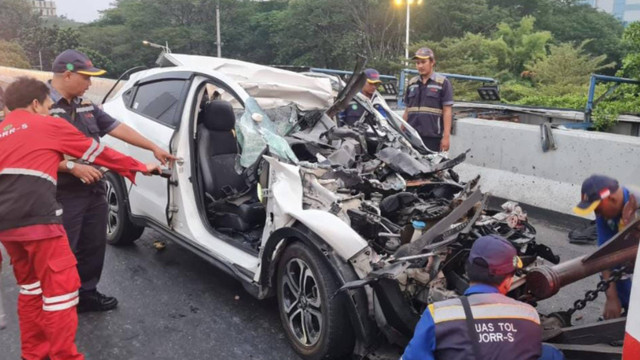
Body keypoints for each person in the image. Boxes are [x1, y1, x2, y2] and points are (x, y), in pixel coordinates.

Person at [0, 77, 159, 360]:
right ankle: (64, 355)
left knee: (30, 288)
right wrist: (138, 165)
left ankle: (33, 355)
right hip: (40, 221)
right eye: (48, 106)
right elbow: (99, 152)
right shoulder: (48, 124)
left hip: (7, 228)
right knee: (61, 291)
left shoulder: (2, 131)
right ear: (36, 104)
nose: (50, 110)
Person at [48, 49, 176, 313]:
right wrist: (70, 167)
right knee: (61, 250)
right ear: (68, 75)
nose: (90, 84)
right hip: (60, 192)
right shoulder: (37, 104)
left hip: (94, 186)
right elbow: (26, 153)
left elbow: (116, 127)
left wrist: (153, 146)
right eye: (86, 78)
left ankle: (86, 294)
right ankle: (58, 304)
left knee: (92, 245)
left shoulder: (84, 104)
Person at [401, 234, 564, 360]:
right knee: (551, 353)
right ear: (508, 280)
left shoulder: (437, 315)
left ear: (467, 268)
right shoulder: (529, 315)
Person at [573, 174, 638, 319]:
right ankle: (628, 312)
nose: (597, 214)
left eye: (598, 209)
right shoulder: (606, 212)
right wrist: (612, 298)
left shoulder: (637, 203)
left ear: (612, 199)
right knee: (615, 263)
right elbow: (604, 254)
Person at [402, 48, 454, 152]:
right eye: (417, 63)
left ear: (432, 62)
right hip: (411, 135)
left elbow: (447, 111)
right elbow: (408, 109)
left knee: (431, 167)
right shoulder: (412, 83)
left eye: (423, 62)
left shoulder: (442, 83)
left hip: (432, 137)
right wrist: (402, 129)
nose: (420, 66)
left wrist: (446, 137)